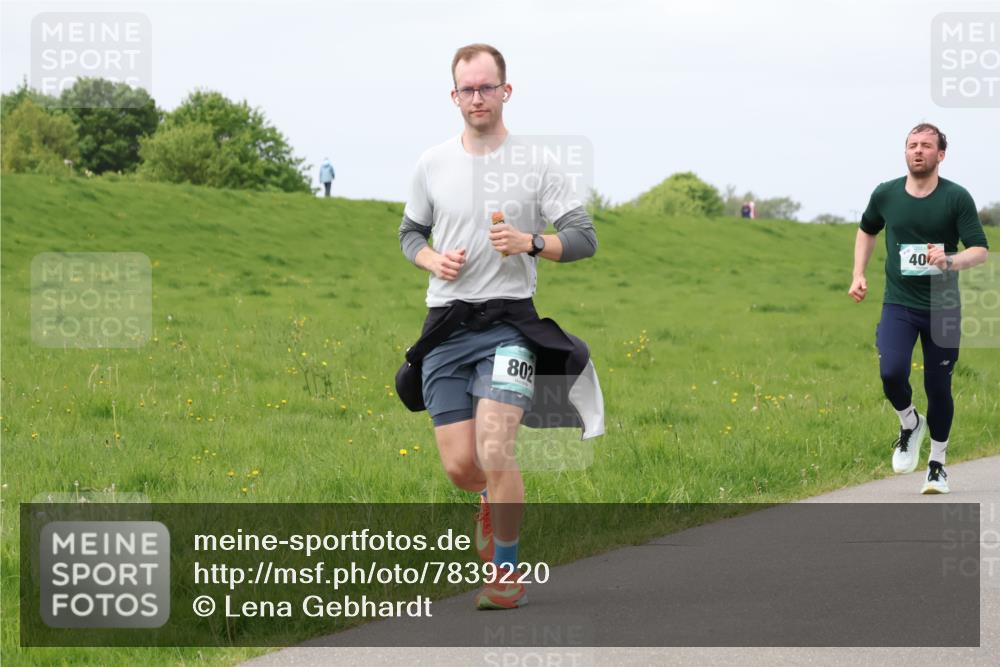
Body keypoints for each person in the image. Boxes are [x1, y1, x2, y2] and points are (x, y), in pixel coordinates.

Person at [396, 43, 603, 609]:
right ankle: (488, 498)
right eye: (468, 88)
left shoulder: (538, 164)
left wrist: (532, 242)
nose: (478, 97)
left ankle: (506, 575)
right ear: (454, 95)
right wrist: (430, 259)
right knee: (463, 465)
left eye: (488, 87)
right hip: (446, 327)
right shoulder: (432, 163)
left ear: (505, 91)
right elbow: (409, 233)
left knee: (495, 446)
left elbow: (585, 239)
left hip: (511, 325)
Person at [849, 123, 989, 494]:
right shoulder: (886, 194)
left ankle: (938, 465)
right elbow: (867, 229)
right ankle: (910, 422)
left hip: (943, 304)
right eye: (912, 145)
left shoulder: (956, 198)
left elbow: (980, 250)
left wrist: (950, 259)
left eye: (927, 145)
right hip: (899, 301)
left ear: (940, 155)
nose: (918, 151)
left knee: (938, 386)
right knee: (891, 372)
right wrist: (858, 273)